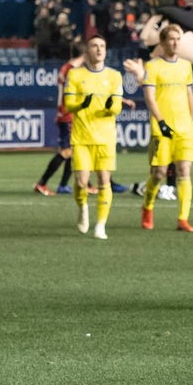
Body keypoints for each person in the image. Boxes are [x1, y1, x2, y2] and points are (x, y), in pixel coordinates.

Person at [123, 24, 193, 233]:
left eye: (177, 39)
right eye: (171, 39)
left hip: (184, 129)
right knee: (158, 173)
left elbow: (190, 95)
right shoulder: (152, 67)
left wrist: (190, 122)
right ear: (163, 43)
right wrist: (161, 121)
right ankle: (147, 206)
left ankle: (183, 218)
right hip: (160, 129)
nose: (175, 42)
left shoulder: (186, 66)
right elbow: (150, 97)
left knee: (184, 171)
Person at [63, 35, 123, 240]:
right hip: (81, 137)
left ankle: (101, 225)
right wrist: (82, 105)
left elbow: (117, 106)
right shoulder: (75, 75)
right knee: (81, 182)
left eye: (102, 46)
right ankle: (83, 208)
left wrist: (110, 107)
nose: (99, 49)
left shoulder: (115, 76)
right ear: (87, 51)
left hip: (105, 138)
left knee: (104, 180)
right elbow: (68, 104)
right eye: (94, 46)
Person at [33, 46, 84, 196]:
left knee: (73, 150)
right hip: (68, 114)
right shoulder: (72, 70)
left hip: (66, 113)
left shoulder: (65, 68)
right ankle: (42, 183)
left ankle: (63, 185)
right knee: (66, 151)